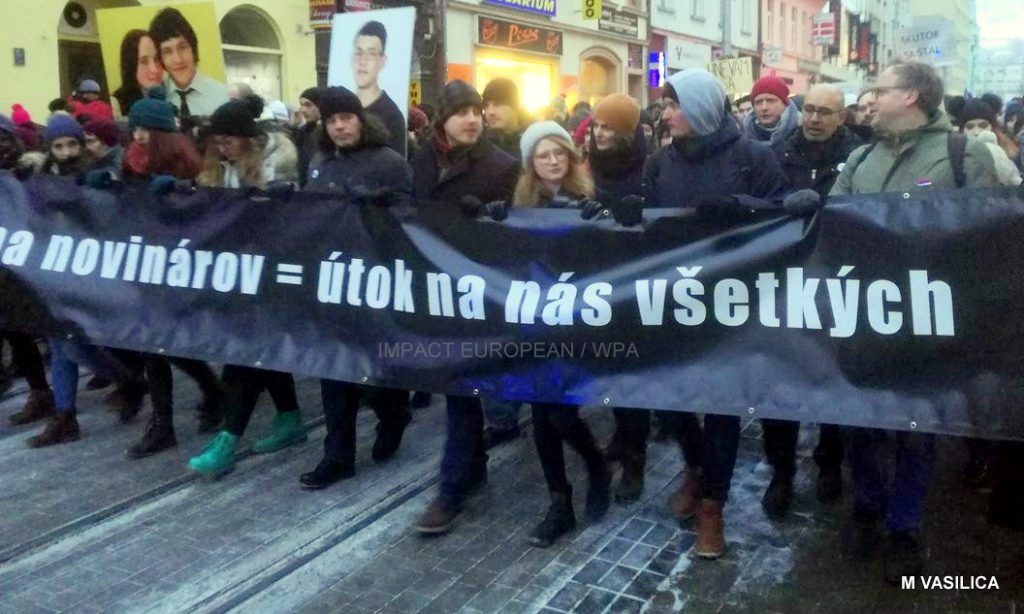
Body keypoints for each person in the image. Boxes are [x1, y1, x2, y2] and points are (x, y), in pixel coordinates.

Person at [830, 61, 997, 584]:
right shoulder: (860, 156)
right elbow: (833, 223)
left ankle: (904, 527)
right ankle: (868, 506)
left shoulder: (964, 155)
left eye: (880, 90)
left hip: (931, 321)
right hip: (866, 315)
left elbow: (992, 235)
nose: (870, 99)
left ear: (912, 96)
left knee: (917, 431)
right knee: (860, 421)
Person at [645, 69, 788, 559]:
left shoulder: (754, 156)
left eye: (673, 105)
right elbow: (645, 217)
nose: (665, 114)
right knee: (671, 399)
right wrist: (623, 212)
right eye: (664, 106)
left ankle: (712, 507)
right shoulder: (662, 160)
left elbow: (784, 213)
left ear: (702, 108)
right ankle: (695, 467)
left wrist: (739, 206)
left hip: (732, 300)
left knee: (722, 405)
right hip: (674, 298)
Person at [491, 120, 611, 546]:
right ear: (531, 164)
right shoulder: (522, 204)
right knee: (542, 412)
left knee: (560, 412)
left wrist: (608, 218)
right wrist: (491, 223)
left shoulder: (591, 197)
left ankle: (596, 465)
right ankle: (559, 502)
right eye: (543, 155)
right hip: (537, 321)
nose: (552, 160)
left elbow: (619, 251)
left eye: (558, 152)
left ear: (570, 155)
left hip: (580, 321)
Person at [410, 80, 519, 534]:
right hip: (434, 288)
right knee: (458, 386)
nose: (473, 118)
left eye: (477, 110)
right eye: (461, 112)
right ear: (442, 120)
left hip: (480, 290)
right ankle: (471, 469)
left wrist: (492, 214)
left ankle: (450, 489)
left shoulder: (502, 165)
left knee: (460, 385)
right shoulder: (420, 160)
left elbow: (518, 226)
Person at [299, 86, 414, 489]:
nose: (339, 127)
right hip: (333, 280)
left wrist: (385, 208)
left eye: (345, 118)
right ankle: (338, 455)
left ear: (360, 119)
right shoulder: (319, 162)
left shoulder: (388, 162)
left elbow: (413, 222)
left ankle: (393, 411)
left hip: (375, 280)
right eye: (331, 121)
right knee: (333, 369)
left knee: (374, 369)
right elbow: (309, 216)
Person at [762, 84, 864, 516]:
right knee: (779, 377)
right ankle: (781, 471)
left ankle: (828, 460)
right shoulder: (778, 152)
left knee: (831, 376)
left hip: (837, 279)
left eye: (826, 112)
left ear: (842, 117)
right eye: (810, 110)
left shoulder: (860, 155)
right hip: (786, 281)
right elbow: (761, 207)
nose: (815, 118)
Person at [187, 100, 304, 474]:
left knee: (247, 355)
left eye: (229, 141)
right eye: (217, 142)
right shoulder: (219, 169)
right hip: (235, 276)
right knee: (262, 352)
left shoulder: (277, 165)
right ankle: (289, 418)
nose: (222, 149)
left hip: (272, 276)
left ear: (247, 139)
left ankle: (228, 439)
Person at [18, 115, 148, 447]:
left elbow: (112, 217)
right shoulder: (42, 176)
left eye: (72, 144)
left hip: (89, 272)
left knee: (72, 345)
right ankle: (66, 416)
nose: (66, 152)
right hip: (55, 272)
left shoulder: (99, 174)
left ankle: (125, 382)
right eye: (59, 146)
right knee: (62, 344)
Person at [583, 94, 651, 502]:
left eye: (609, 127)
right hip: (598, 284)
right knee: (609, 370)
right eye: (597, 125)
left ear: (627, 132)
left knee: (632, 380)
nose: (600, 133)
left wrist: (636, 209)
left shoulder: (646, 169)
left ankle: (635, 457)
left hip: (636, 286)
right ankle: (623, 437)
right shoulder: (586, 166)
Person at [0, 116, 55, 428]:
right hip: (4, 268)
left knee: (33, 334)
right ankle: (39, 392)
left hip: (28, 264)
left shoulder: (28, 172)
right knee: (12, 332)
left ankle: (124, 379)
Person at [150, 7, 229, 118]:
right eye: (167, 52)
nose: (178, 59)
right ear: (160, 58)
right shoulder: (155, 98)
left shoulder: (223, 96)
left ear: (193, 47)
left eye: (182, 47)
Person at [350, 20, 406, 155]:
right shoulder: (344, 108)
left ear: (382, 61)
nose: (362, 61)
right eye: (358, 52)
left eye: (371, 54)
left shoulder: (392, 116)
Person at [957, 99, 1022, 186]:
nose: (976, 132)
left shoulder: (1010, 153)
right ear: (962, 130)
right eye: (970, 127)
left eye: (983, 125)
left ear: (992, 127)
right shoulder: (954, 155)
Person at [112, 30, 165, 116]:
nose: (154, 69)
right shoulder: (116, 104)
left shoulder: (175, 94)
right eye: (144, 61)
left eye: (157, 59)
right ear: (131, 65)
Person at [743, 76, 801, 148]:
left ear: (785, 104)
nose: (764, 107)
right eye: (758, 102)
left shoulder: (803, 132)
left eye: (771, 101)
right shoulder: (743, 137)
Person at [482, 78, 526, 160]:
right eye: (486, 106)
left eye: (497, 104)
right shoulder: (480, 148)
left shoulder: (533, 144)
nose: (490, 112)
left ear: (514, 107)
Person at [295, 87, 324, 187]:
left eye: (308, 105)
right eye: (301, 105)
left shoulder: (330, 132)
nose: (303, 110)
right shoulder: (303, 131)